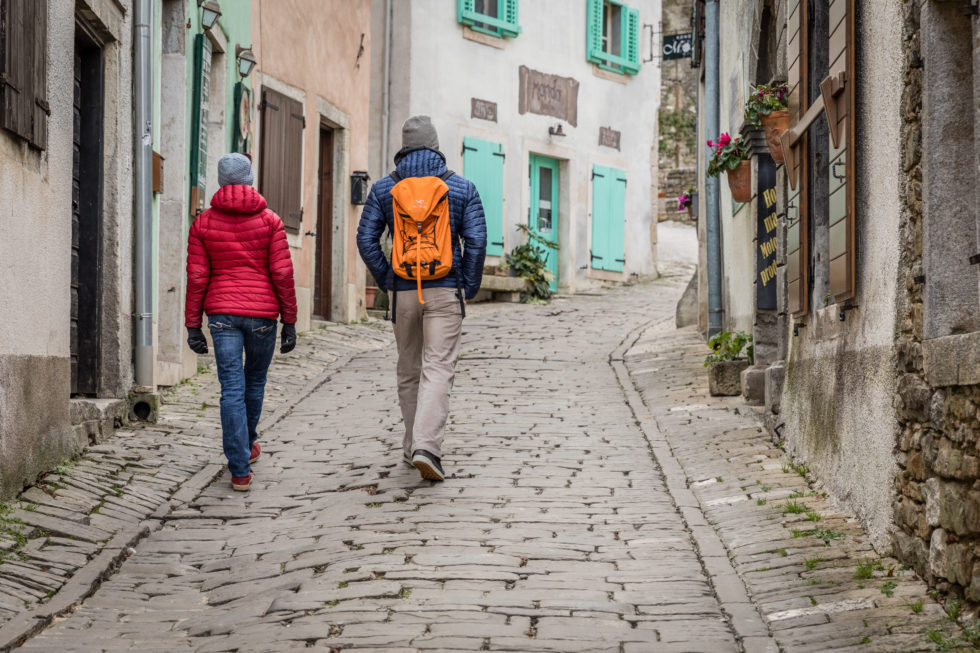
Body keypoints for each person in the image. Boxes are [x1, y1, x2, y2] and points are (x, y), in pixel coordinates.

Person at [357, 116, 487, 482]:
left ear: (404, 146)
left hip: (403, 291)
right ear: (434, 146)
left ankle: (411, 441)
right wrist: (469, 286)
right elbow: (475, 241)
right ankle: (426, 447)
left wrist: (387, 279)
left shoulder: (385, 189)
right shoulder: (461, 188)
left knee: (408, 369)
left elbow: (366, 240)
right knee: (438, 367)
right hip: (445, 289)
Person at [184, 153, 298, 492]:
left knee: (231, 388)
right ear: (250, 179)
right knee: (255, 381)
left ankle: (239, 469)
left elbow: (197, 276)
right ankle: (247, 445)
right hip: (264, 315)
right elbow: (281, 272)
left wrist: (193, 325)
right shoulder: (271, 221)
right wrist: (289, 321)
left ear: (221, 181)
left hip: (222, 316)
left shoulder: (203, 224)